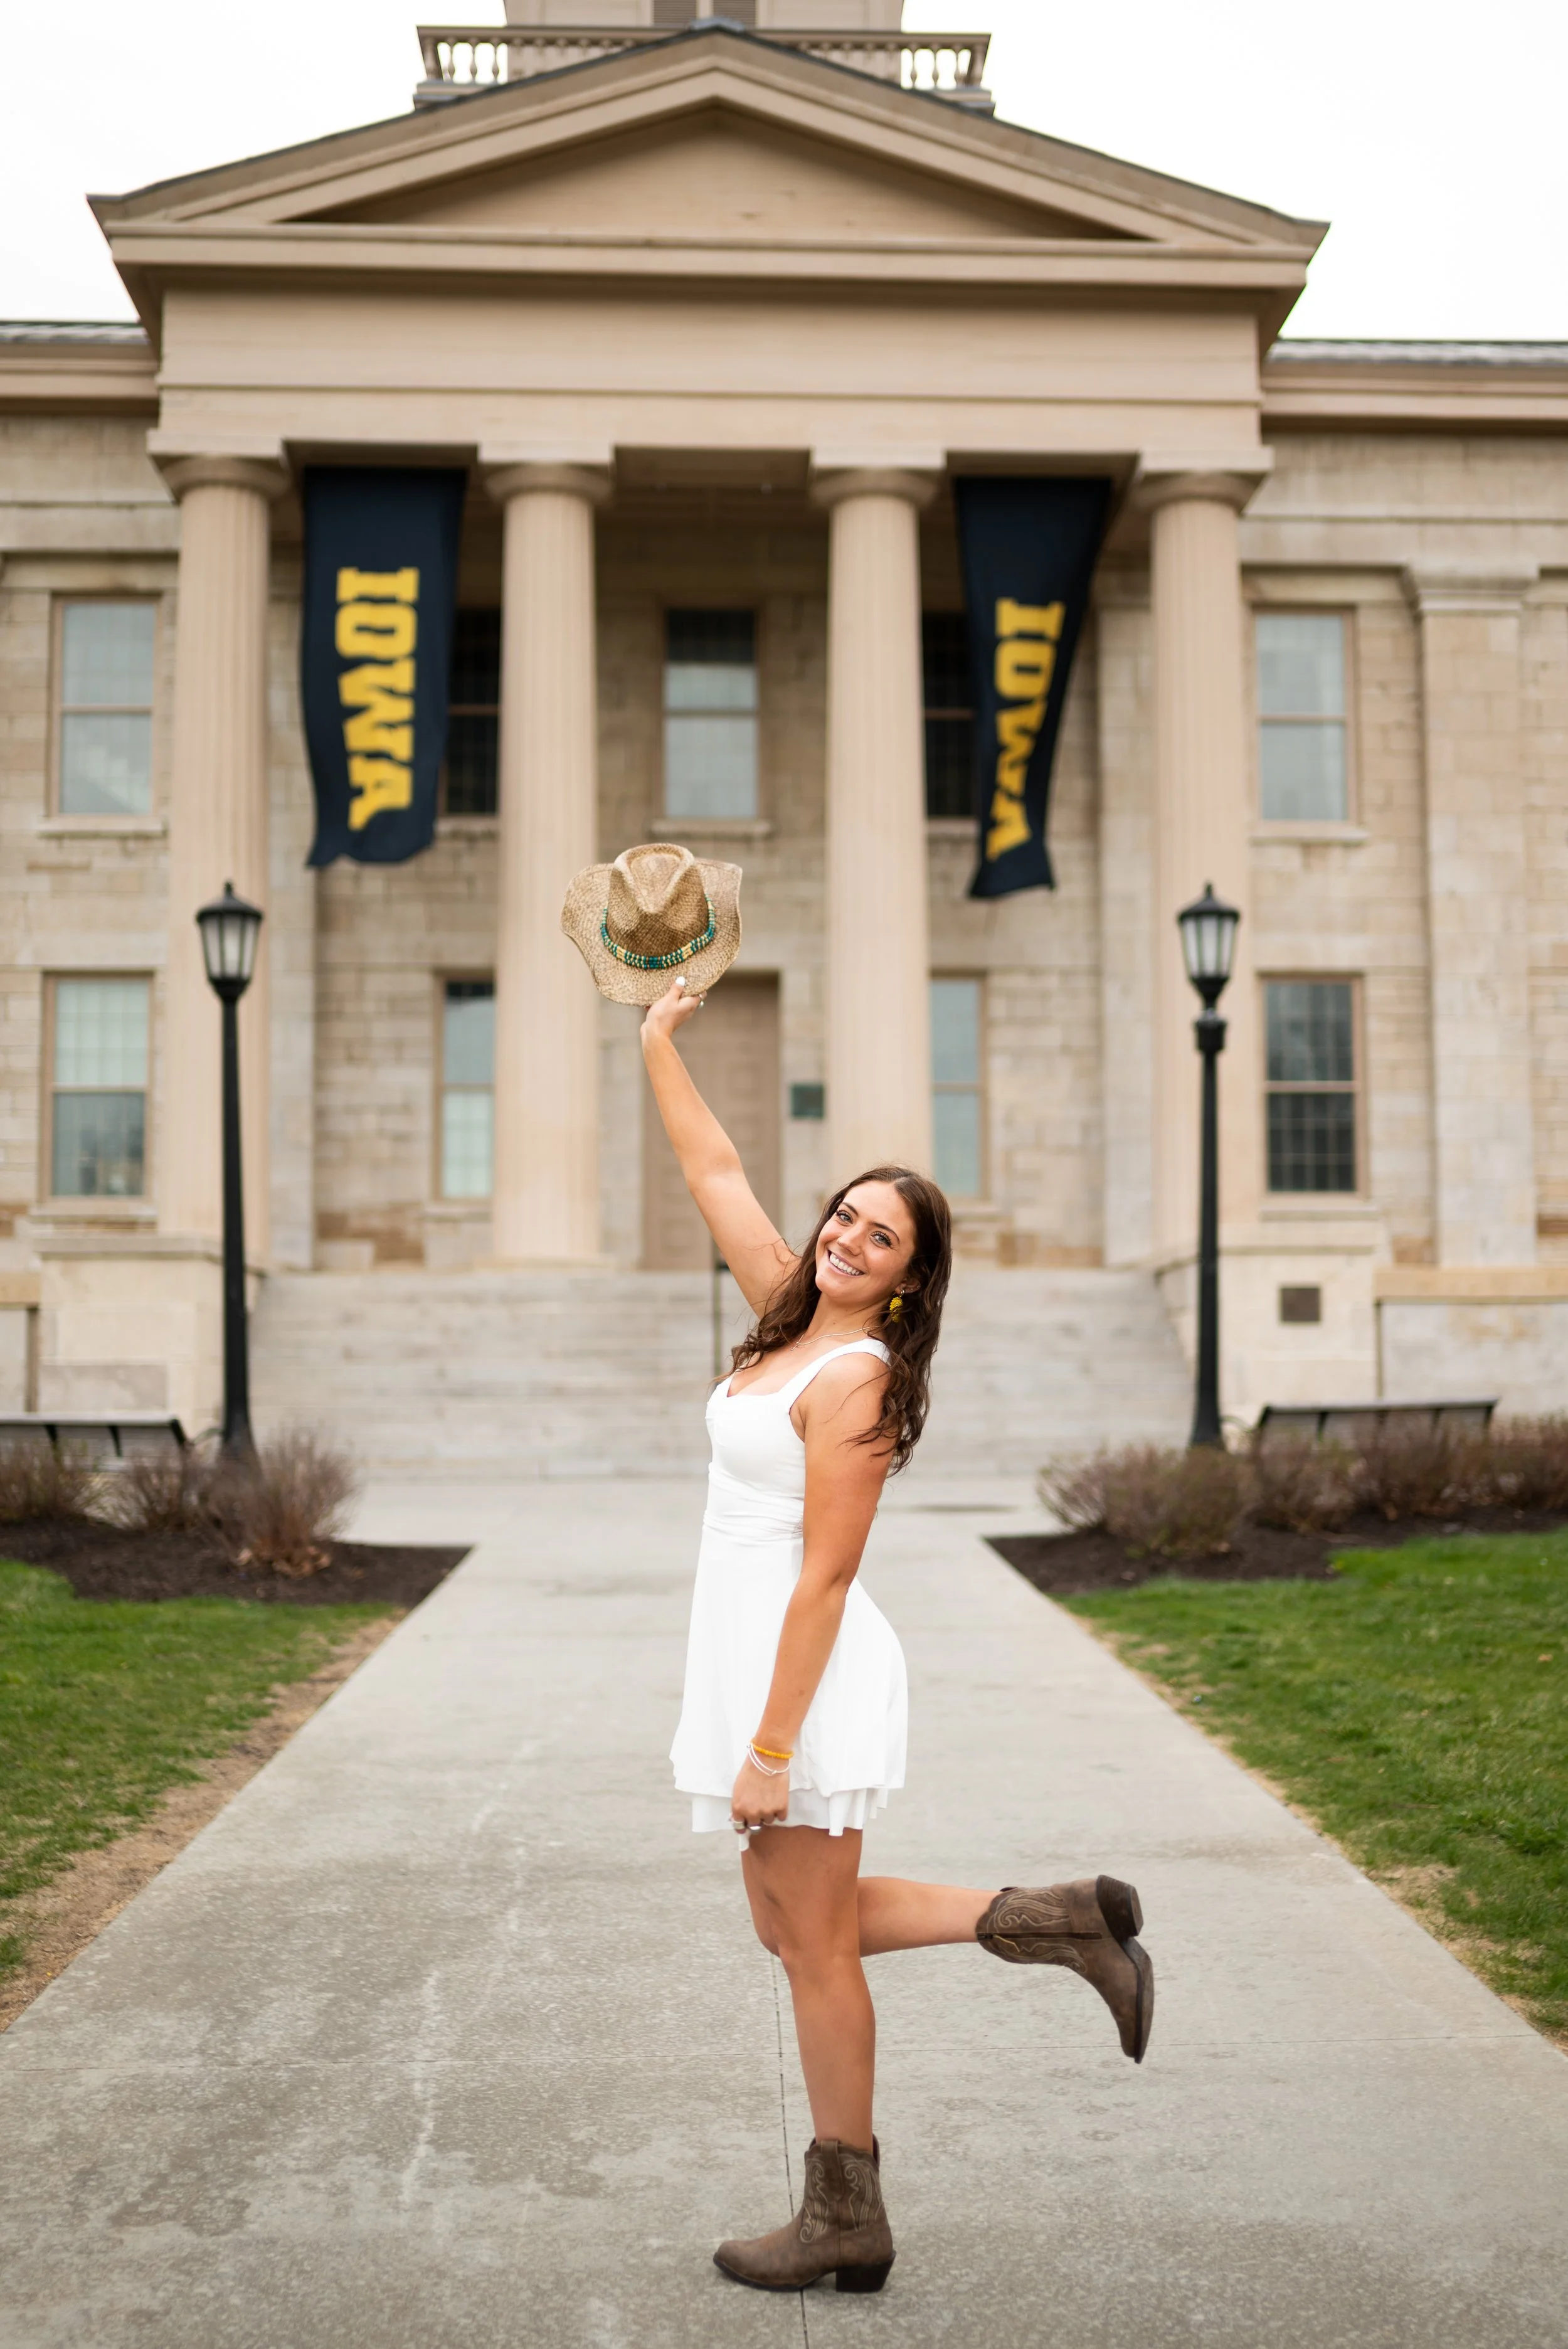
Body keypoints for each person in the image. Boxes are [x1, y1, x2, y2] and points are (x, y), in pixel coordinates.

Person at [641, 974, 1155, 2298]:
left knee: (808, 1948)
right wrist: (655, 1040)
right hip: (751, 1665)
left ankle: (843, 2213)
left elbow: (826, 1576)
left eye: (880, 1240)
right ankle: (1053, 1920)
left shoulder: (856, 1379)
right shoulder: (784, 1322)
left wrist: (767, 1743)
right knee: (787, 1928)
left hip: (798, 1681)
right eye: (844, 1216)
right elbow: (712, 1168)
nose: (847, 1240)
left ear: (911, 1279)